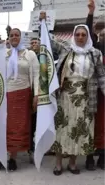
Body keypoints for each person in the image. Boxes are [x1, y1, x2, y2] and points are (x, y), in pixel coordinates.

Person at [39, 11, 105, 175]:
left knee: (80, 130)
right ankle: (59, 163)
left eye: (83, 34)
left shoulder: (95, 54)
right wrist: (42, 23)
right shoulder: (66, 49)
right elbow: (49, 42)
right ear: (74, 36)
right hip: (65, 97)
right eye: (78, 34)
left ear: (87, 36)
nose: (80, 37)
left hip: (86, 98)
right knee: (62, 129)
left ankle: (73, 163)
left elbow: (101, 76)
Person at [0, 28, 40, 172]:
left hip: (23, 94)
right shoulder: (3, 54)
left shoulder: (29, 54)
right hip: (4, 95)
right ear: (9, 37)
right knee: (1, 127)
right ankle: (0, 157)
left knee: (17, 127)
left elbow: (37, 76)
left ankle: (12, 158)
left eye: (17, 35)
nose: (14, 37)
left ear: (21, 37)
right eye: (11, 35)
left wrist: (36, 95)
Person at [85, 0, 105, 170]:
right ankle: (89, 157)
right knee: (90, 124)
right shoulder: (96, 49)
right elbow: (89, 33)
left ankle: (103, 157)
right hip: (93, 93)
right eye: (103, 35)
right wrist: (91, 13)